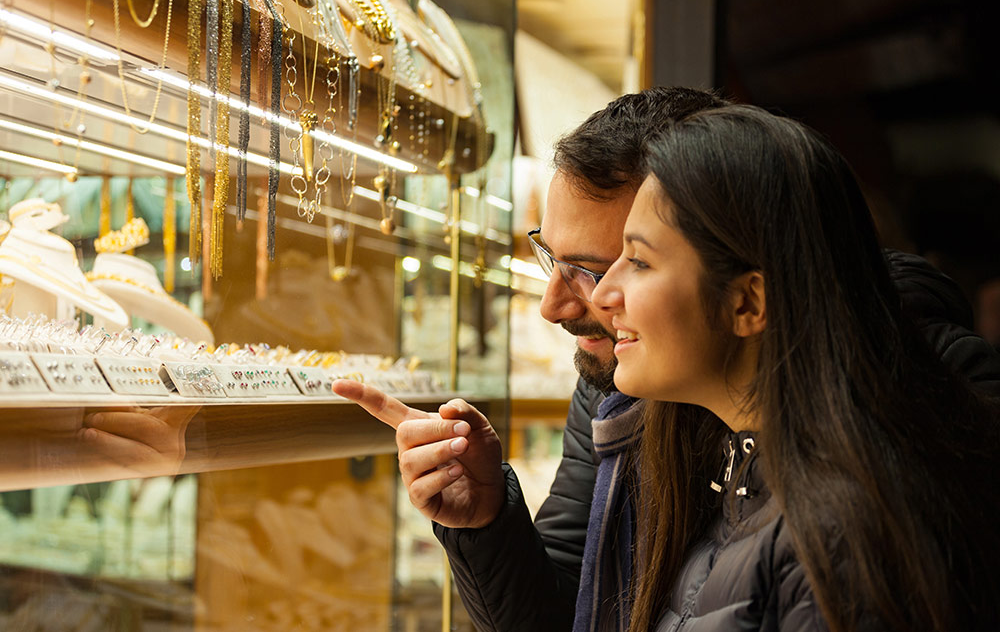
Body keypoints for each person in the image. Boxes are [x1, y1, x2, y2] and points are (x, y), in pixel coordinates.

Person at [333, 88, 1000, 632]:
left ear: (746, 292)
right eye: (551, 256)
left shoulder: (872, 474)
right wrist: (485, 524)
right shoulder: (631, 395)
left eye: (619, 262)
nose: (557, 306)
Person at [585, 104, 1000, 631]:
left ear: (747, 303)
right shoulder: (741, 483)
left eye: (639, 261)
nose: (603, 294)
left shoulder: (843, 543)